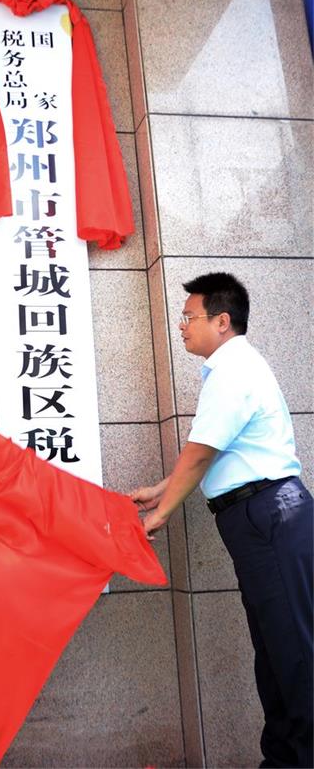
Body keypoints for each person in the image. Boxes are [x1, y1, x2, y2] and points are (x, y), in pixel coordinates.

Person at [131, 272, 313, 769]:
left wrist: (161, 514)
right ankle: (282, 759)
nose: (182, 326)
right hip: (262, 519)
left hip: (269, 516)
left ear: (223, 321)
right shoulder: (229, 369)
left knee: (293, 655)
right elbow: (212, 453)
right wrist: (161, 490)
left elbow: (201, 452)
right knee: (275, 653)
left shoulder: (233, 370)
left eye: (189, 317)